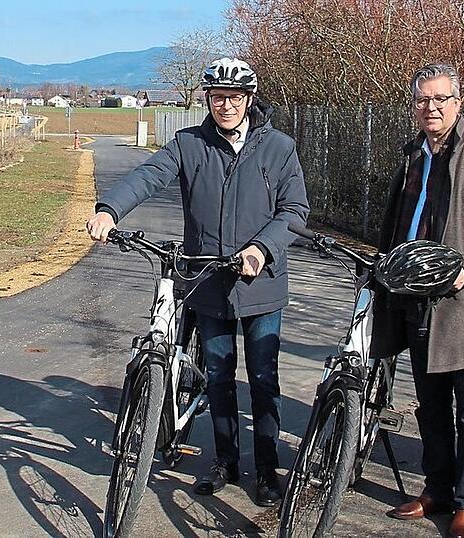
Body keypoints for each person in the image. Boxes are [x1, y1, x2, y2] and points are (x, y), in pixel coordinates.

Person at [86, 58, 309, 507]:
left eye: (235, 97)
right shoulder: (190, 143)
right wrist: (110, 209)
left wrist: (260, 249)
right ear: (206, 99)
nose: (226, 105)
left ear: (249, 99)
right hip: (207, 281)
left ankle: (267, 469)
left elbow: (294, 212)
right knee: (219, 377)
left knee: (264, 379)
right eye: (217, 97)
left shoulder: (279, 147)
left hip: (260, 282)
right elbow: (149, 176)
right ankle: (225, 461)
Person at [373, 64, 464, 538]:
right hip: (419, 306)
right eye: (422, 100)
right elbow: (398, 224)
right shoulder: (411, 156)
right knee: (429, 407)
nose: (430, 108)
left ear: (458, 103)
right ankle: (436, 488)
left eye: (440, 99)